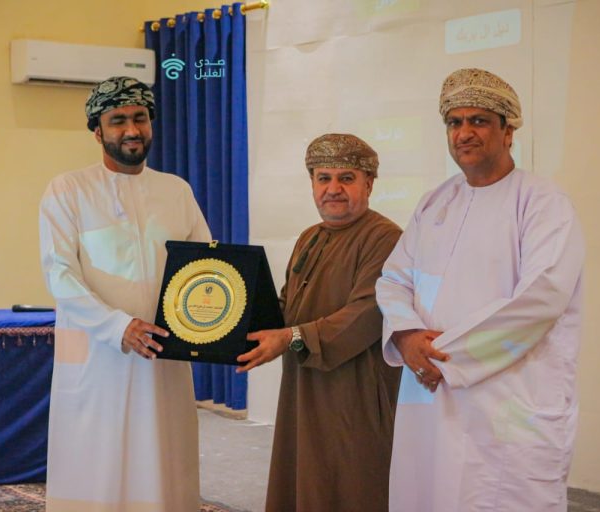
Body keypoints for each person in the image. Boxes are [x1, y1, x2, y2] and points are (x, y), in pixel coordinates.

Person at [376, 68, 585, 511]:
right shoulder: (435, 201)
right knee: (426, 493)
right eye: (455, 122)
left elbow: (541, 298)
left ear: (508, 132)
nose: (464, 133)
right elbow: (394, 279)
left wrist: (445, 358)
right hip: (428, 393)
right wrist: (407, 336)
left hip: (506, 399)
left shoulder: (543, 203)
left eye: (479, 121)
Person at [38, 76, 211, 511]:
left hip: (164, 356)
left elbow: (205, 268)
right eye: (118, 120)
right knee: (97, 466)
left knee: (163, 462)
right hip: (98, 359)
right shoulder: (68, 190)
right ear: (97, 131)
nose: (132, 130)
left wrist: (216, 325)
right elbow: (60, 275)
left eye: (140, 118)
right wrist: (118, 327)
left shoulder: (176, 191)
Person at [237, 134, 403, 511]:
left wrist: (290, 338)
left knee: (351, 482)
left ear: (369, 184)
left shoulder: (385, 238)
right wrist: (235, 327)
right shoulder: (309, 237)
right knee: (304, 477)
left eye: (346, 178)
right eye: (323, 178)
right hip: (304, 387)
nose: (333, 189)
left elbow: (366, 314)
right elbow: (288, 306)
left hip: (354, 392)